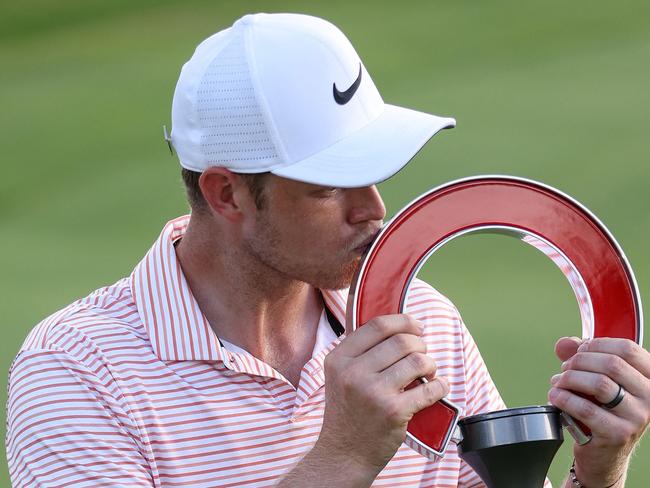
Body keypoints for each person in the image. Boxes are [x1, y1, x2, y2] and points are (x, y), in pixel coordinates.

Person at [6, 12, 649, 488]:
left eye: (374, 174)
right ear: (227, 194)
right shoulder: (76, 371)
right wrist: (341, 457)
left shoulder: (423, 322)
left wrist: (599, 473)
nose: (373, 209)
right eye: (327, 188)